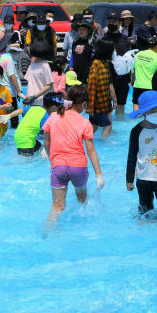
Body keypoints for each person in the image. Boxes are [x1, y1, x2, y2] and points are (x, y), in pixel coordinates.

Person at [43, 85, 105, 219]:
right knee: (82, 202)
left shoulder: (53, 116)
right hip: (78, 167)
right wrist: (98, 174)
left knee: (57, 207)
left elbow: (46, 143)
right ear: (84, 103)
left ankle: (49, 229)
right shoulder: (85, 122)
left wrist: (52, 159)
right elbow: (91, 150)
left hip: (58, 166)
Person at [0, 92, 63, 156]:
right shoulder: (46, 116)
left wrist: (9, 116)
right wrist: (46, 146)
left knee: (39, 148)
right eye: (59, 109)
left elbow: (21, 110)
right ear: (54, 108)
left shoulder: (35, 107)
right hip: (25, 141)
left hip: (23, 135)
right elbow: (46, 133)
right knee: (27, 162)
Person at [0, 31, 24, 128]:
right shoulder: (7, 57)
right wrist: (19, 91)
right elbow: (12, 76)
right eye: (8, 42)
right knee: (13, 118)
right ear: (4, 44)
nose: (9, 44)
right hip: (9, 93)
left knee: (0, 116)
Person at [102, 10, 132, 117]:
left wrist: (131, 76)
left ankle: (119, 128)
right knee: (106, 108)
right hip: (106, 77)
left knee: (120, 107)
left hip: (122, 78)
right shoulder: (103, 39)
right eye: (109, 21)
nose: (111, 23)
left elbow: (129, 59)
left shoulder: (124, 39)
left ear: (119, 23)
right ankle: (108, 130)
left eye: (114, 21)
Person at [86, 39, 117, 139]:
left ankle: (83, 142)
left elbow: (108, 86)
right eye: (113, 50)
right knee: (108, 126)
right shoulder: (97, 64)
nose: (114, 52)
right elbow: (92, 86)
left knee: (93, 126)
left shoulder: (104, 64)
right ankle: (105, 145)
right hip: (98, 104)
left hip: (103, 103)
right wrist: (90, 106)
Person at [131, 36, 157, 110]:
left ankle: (136, 120)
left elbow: (133, 70)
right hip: (150, 87)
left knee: (136, 104)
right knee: (150, 109)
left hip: (137, 85)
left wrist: (133, 81)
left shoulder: (138, 54)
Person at [24, 39, 55, 108]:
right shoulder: (32, 64)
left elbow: (49, 86)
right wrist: (26, 98)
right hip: (32, 102)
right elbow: (30, 83)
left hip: (43, 103)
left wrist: (35, 97)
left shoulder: (45, 65)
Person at [69, 20, 94, 85]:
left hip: (87, 72)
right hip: (76, 71)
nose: (81, 31)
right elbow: (73, 55)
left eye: (83, 29)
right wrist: (70, 66)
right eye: (79, 29)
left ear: (88, 31)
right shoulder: (75, 42)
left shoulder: (91, 42)